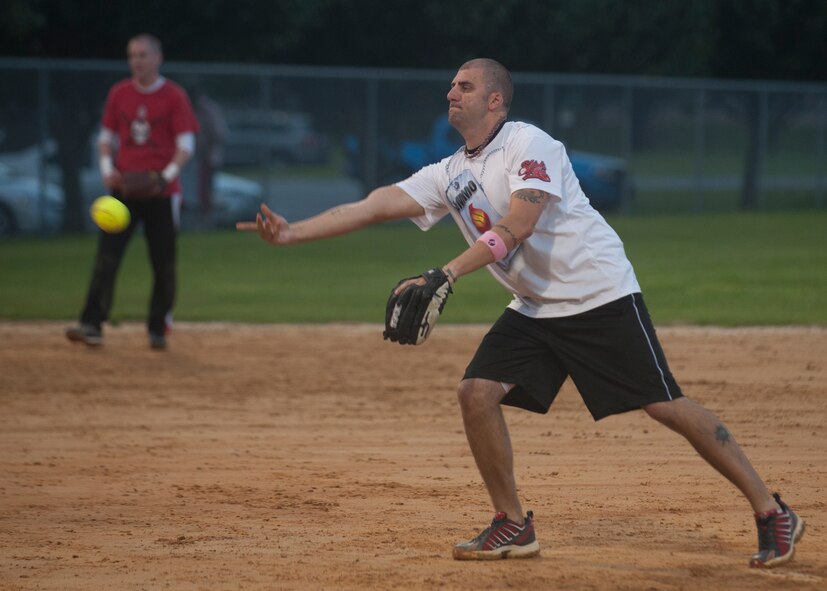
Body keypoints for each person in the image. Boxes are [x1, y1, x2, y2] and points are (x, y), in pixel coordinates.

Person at [236, 58, 804, 567]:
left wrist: (446, 273)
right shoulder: (450, 172)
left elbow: (518, 225)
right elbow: (374, 204)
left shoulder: (530, 145)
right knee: (476, 392)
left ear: (496, 100)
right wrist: (291, 233)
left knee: (665, 406)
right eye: (450, 86)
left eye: (465, 85)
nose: (451, 93)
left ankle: (770, 511)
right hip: (535, 307)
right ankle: (512, 523)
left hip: (597, 296)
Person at [66, 34, 199, 350]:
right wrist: (106, 169)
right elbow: (106, 138)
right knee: (106, 260)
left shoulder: (174, 96)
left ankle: (157, 328)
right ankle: (92, 324)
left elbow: (186, 146)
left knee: (163, 264)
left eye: (142, 55)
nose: (136, 61)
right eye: (132, 55)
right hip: (123, 190)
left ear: (158, 58)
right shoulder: (120, 93)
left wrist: (164, 177)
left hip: (162, 192)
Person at [193, 86, 228, 216]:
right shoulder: (194, 108)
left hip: (208, 157)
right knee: (197, 191)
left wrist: (206, 148)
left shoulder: (208, 109)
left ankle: (206, 219)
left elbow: (219, 133)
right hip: (195, 159)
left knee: (206, 191)